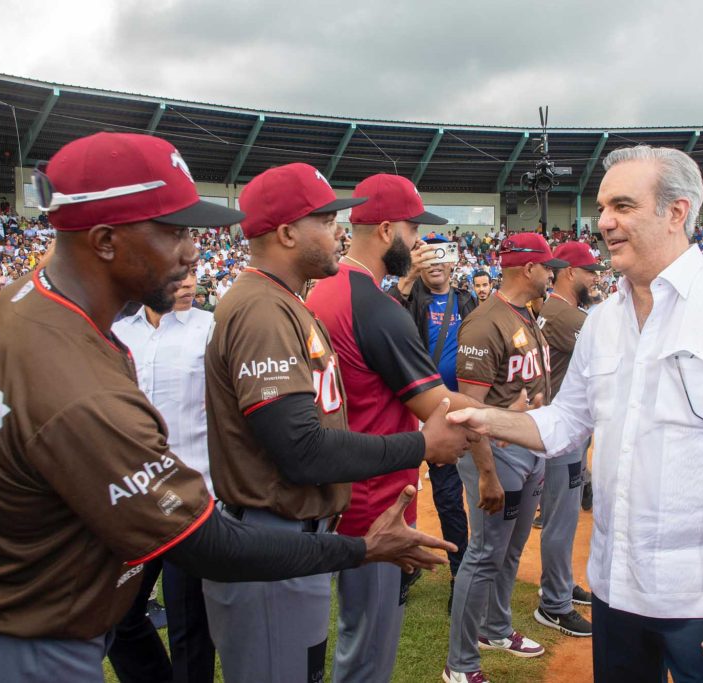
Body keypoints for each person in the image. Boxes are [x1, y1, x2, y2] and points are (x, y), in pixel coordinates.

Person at [0, 132, 454, 683]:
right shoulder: (79, 382)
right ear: (106, 241)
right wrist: (361, 547)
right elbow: (210, 543)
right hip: (22, 645)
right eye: (175, 231)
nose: (192, 253)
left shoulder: (26, 298)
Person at [448, 145, 703, 683]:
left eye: (623, 206)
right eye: (604, 207)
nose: (603, 221)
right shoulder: (603, 320)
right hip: (616, 594)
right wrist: (481, 419)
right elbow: (564, 424)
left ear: (676, 212)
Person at [201, 164, 470, 683]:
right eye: (325, 220)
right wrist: (419, 447)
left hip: (298, 529)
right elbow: (301, 450)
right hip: (272, 530)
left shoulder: (288, 301)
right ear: (286, 233)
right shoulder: (261, 309)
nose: (340, 231)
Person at [308, 172, 502, 683]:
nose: (420, 243)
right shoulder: (375, 305)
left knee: (354, 638)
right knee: (367, 654)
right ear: (388, 229)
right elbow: (440, 410)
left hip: (342, 485)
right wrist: (511, 421)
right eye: (415, 231)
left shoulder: (324, 291)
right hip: (378, 502)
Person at [445, 231, 568, 682]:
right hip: (497, 457)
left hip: (529, 451)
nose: (551, 274)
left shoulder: (527, 315)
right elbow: (468, 409)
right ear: (528, 268)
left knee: (510, 552)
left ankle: (496, 628)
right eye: (547, 267)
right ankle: (459, 663)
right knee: (483, 555)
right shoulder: (484, 321)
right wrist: (486, 475)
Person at [108, 269, 217, 683]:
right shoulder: (119, 333)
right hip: (134, 498)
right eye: (177, 275)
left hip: (193, 497)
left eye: (192, 274)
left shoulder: (212, 328)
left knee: (190, 625)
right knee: (118, 615)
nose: (189, 283)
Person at [391, 233, 479, 609]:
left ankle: (460, 574)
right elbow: (390, 321)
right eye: (428, 256)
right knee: (398, 491)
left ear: (454, 260)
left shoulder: (466, 299)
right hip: (411, 412)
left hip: (452, 412)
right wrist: (406, 281)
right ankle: (401, 567)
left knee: (447, 497)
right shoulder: (410, 300)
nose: (436, 263)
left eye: (443, 255)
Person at [531, 240, 604, 639]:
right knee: (561, 517)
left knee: (565, 513)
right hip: (561, 430)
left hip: (561, 426)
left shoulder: (559, 310)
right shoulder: (564, 315)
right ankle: (554, 602)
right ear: (570, 272)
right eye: (590, 271)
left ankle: (559, 585)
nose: (595, 278)